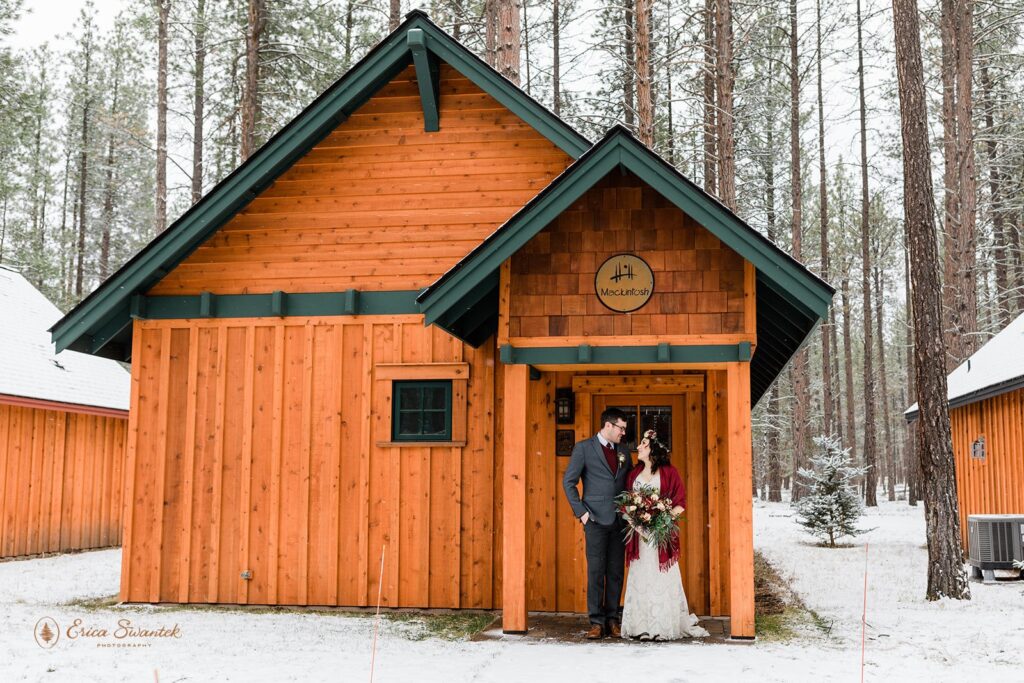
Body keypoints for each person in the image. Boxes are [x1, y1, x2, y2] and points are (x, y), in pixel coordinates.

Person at [620, 429, 709, 641]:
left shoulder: (669, 473)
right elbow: (626, 504)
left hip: (660, 536)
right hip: (639, 537)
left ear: (653, 449)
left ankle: (661, 626)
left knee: (661, 579)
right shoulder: (634, 474)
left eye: (643, 443)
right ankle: (640, 626)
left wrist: (661, 522)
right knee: (641, 577)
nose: (639, 447)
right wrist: (637, 523)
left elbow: (680, 503)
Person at [562, 407, 632, 640]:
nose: (624, 432)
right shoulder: (584, 448)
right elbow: (569, 482)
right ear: (608, 426)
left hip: (620, 520)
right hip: (594, 519)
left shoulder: (623, 451)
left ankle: (613, 619)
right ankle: (596, 622)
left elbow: (628, 482)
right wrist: (582, 513)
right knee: (596, 571)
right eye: (621, 428)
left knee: (615, 572)